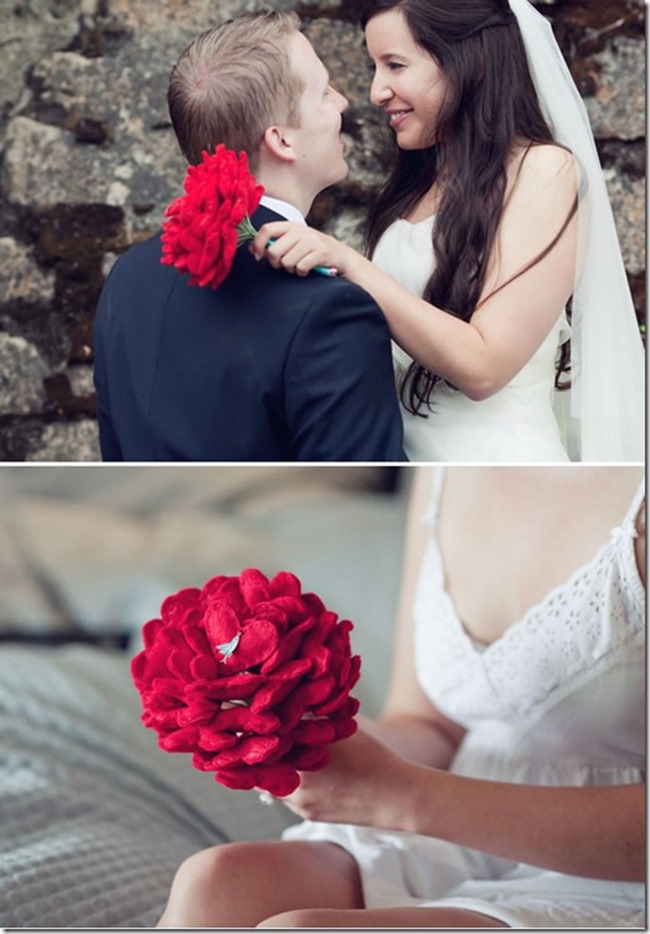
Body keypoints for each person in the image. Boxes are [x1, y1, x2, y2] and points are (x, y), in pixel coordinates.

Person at [156, 463, 645, 928]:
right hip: (456, 828)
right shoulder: (443, 468)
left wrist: (404, 797)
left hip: (614, 871)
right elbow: (432, 726)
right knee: (215, 885)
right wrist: (312, 735)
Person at [251, 0, 645, 463]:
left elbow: (483, 366)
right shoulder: (416, 185)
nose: (377, 91)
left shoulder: (543, 170)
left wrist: (348, 261)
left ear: (467, 60)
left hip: (500, 474)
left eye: (395, 65)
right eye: (374, 67)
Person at [93, 11, 406, 462]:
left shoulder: (127, 279)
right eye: (323, 91)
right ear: (280, 140)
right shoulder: (331, 311)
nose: (342, 102)